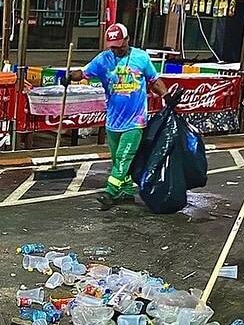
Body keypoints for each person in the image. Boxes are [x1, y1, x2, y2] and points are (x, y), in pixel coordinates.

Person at [65, 23, 174, 210]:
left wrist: (166, 95)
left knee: (124, 157)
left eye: (119, 45)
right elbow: (83, 73)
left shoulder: (141, 57)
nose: (115, 49)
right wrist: (69, 76)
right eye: (112, 46)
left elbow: (154, 81)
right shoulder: (103, 59)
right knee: (118, 160)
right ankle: (127, 192)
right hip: (113, 122)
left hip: (135, 121)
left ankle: (110, 192)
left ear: (127, 39)